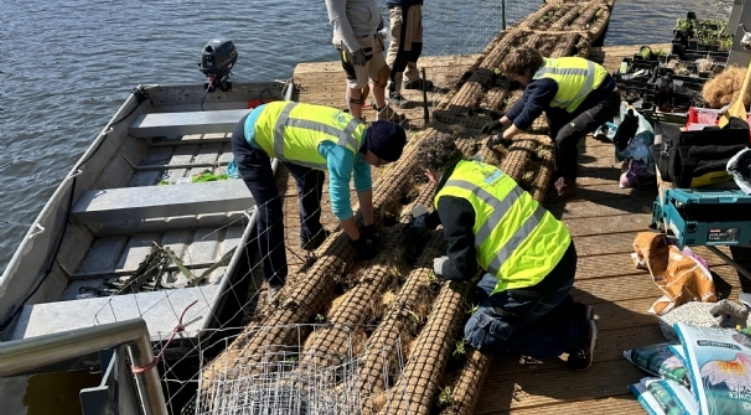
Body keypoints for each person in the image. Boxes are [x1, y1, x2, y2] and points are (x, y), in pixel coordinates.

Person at [409, 131, 597, 370]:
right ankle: (571, 310)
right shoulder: (479, 169)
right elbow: (464, 208)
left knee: (478, 334)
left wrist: (440, 265)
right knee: (483, 291)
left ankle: (577, 335)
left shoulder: (449, 199)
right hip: (561, 252)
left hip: (538, 278)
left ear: (430, 173)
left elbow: (463, 268)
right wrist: (429, 220)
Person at [231, 101, 406, 302]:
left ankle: (310, 235)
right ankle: (275, 280)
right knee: (270, 210)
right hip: (251, 137)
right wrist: (357, 240)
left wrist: (369, 226)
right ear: (374, 150)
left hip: (280, 128)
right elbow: (340, 205)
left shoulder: (362, 138)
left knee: (312, 178)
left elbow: (364, 184)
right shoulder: (342, 151)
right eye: (380, 162)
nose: (378, 166)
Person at [482, 46, 620, 200]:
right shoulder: (540, 70)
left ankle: (567, 184)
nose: (515, 79)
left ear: (527, 71)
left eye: (515, 75)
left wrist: (502, 136)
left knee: (565, 138)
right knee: (554, 122)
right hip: (590, 92)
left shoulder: (545, 82)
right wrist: (501, 121)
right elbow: (525, 100)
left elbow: (527, 117)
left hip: (605, 99)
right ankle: (563, 164)